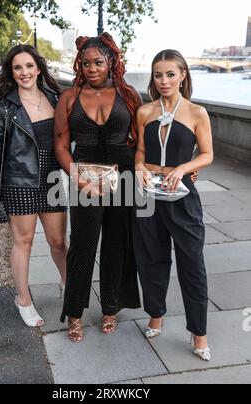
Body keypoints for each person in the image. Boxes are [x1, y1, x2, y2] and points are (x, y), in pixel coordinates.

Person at [54, 33, 142, 343]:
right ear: (80, 64)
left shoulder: (129, 95)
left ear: (111, 63)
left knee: (117, 244)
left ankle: (110, 308)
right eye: (86, 63)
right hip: (84, 179)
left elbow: (142, 142)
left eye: (98, 62)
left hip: (124, 179)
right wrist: (78, 178)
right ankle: (74, 312)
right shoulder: (69, 97)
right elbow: (61, 145)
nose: (92, 68)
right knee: (83, 245)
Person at [133, 49, 214, 361]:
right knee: (151, 259)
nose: (163, 80)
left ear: (182, 75)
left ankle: (199, 332)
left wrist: (182, 167)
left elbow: (207, 154)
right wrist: (139, 167)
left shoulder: (197, 113)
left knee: (192, 264)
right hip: (147, 195)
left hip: (182, 196)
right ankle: (156, 315)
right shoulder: (145, 112)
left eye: (170, 74)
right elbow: (140, 152)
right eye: (158, 74)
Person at [0, 45, 68, 328]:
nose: (24, 72)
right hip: (18, 182)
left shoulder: (57, 98)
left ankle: (71, 288)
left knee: (58, 242)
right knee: (24, 241)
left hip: (52, 180)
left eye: (29, 66)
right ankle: (24, 298)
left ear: (38, 68)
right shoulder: (4, 108)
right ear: (12, 72)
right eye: (18, 68)